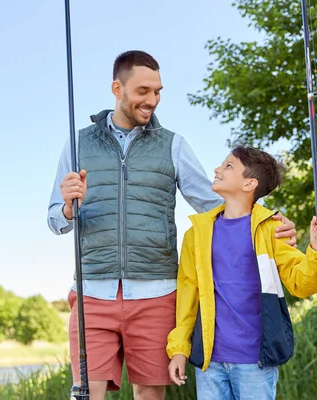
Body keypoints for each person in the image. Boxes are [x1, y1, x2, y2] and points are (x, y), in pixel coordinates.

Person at [47, 50, 298, 400]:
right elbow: (54, 221)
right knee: (85, 395)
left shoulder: (173, 145)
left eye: (158, 92)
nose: (152, 101)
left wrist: (269, 220)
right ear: (117, 89)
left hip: (157, 292)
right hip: (93, 291)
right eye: (143, 91)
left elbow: (221, 205)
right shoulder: (78, 143)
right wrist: (68, 209)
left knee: (149, 396)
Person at [166, 146, 317, 400]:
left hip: (255, 363)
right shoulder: (197, 233)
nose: (217, 169)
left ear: (249, 183)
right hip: (210, 363)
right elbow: (187, 295)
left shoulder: (271, 229)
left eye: (228, 166)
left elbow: (302, 283)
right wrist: (180, 348)